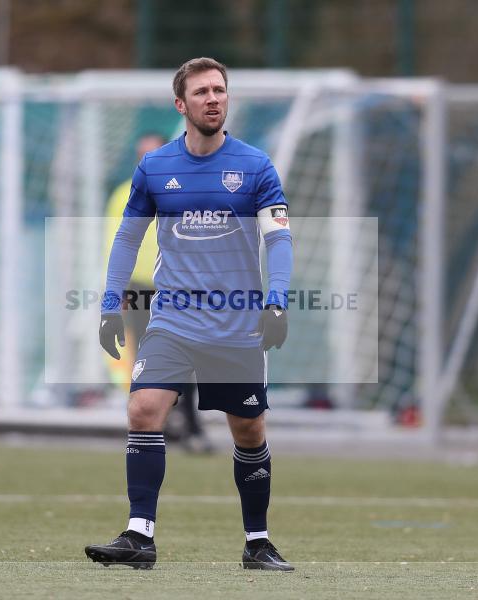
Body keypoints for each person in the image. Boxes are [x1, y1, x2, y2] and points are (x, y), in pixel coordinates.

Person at [85, 57, 293, 571]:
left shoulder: (255, 167)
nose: (213, 98)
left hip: (237, 323)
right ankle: (139, 536)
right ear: (182, 104)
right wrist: (112, 306)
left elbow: (280, 240)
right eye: (201, 91)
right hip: (173, 319)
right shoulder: (156, 168)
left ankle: (257, 542)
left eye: (220, 89)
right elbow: (127, 239)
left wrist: (278, 301)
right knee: (143, 411)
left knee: (248, 431)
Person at [104, 133, 213, 454]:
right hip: (140, 288)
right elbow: (117, 243)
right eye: (142, 155)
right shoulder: (124, 194)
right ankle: (153, 429)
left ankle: (190, 425)